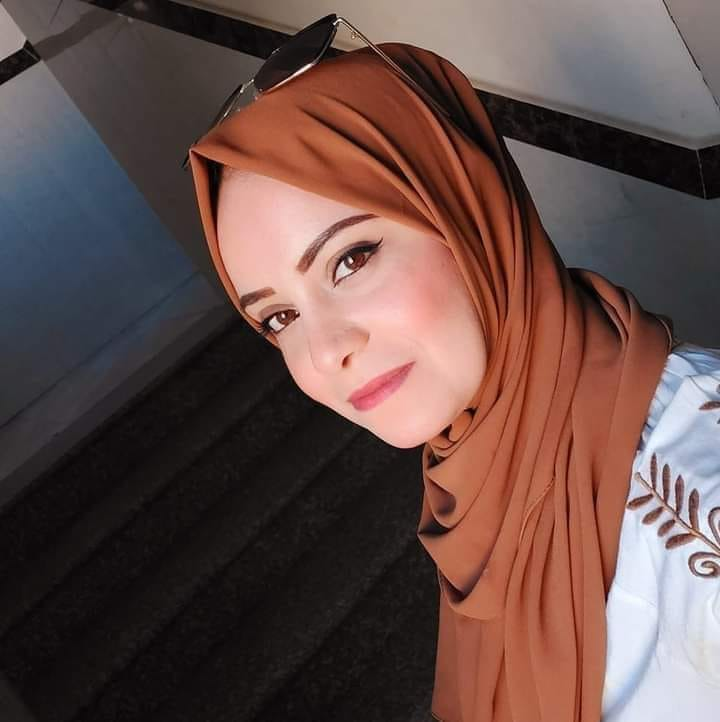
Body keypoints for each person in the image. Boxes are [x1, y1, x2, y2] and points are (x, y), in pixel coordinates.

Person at [185, 34, 720, 722]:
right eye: (280, 317)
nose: (323, 353)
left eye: (351, 259)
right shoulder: (477, 462)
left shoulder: (696, 498)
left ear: (468, 215)